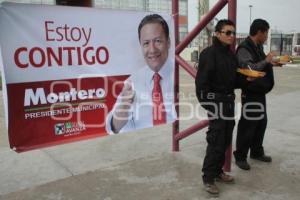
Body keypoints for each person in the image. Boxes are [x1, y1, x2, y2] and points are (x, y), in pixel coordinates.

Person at [106, 14, 176, 134]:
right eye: (146, 43)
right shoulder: (132, 82)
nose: (152, 50)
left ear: (168, 42)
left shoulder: (182, 74)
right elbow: (112, 128)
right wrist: (122, 111)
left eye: (158, 41)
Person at [195, 19, 241, 196]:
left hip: (229, 102)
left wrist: (247, 80)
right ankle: (208, 177)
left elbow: (234, 80)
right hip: (216, 103)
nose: (231, 36)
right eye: (227, 32)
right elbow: (201, 86)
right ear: (218, 34)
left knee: (226, 138)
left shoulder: (231, 55)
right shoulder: (209, 54)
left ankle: (218, 171)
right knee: (216, 139)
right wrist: (211, 106)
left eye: (233, 33)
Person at [233, 19, 278, 170]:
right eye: (266, 33)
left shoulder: (257, 46)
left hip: (259, 91)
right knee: (248, 125)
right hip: (250, 92)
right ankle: (240, 156)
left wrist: (271, 62)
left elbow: (262, 64)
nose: (266, 37)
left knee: (261, 123)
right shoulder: (245, 48)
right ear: (259, 32)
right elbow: (249, 68)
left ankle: (256, 152)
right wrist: (266, 60)